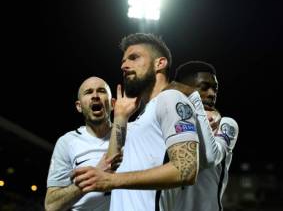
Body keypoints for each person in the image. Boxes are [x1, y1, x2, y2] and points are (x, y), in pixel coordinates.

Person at [72, 33, 202, 211]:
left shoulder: (171, 99)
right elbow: (111, 165)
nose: (124, 66)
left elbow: (186, 170)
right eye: (124, 61)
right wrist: (120, 117)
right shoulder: (141, 117)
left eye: (134, 58)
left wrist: (111, 181)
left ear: (160, 63)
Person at [44, 76, 127, 211]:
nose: (95, 96)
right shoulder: (67, 142)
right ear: (79, 106)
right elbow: (51, 205)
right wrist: (94, 176)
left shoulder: (130, 135)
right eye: (88, 92)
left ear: (113, 104)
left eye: (101, 91)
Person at [172, 60, 239, 211]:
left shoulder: (226, 124)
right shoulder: (168, 123)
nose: (212, 94)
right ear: (184, 89)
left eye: (215, 88)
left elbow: (210, 157)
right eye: (204, 87)